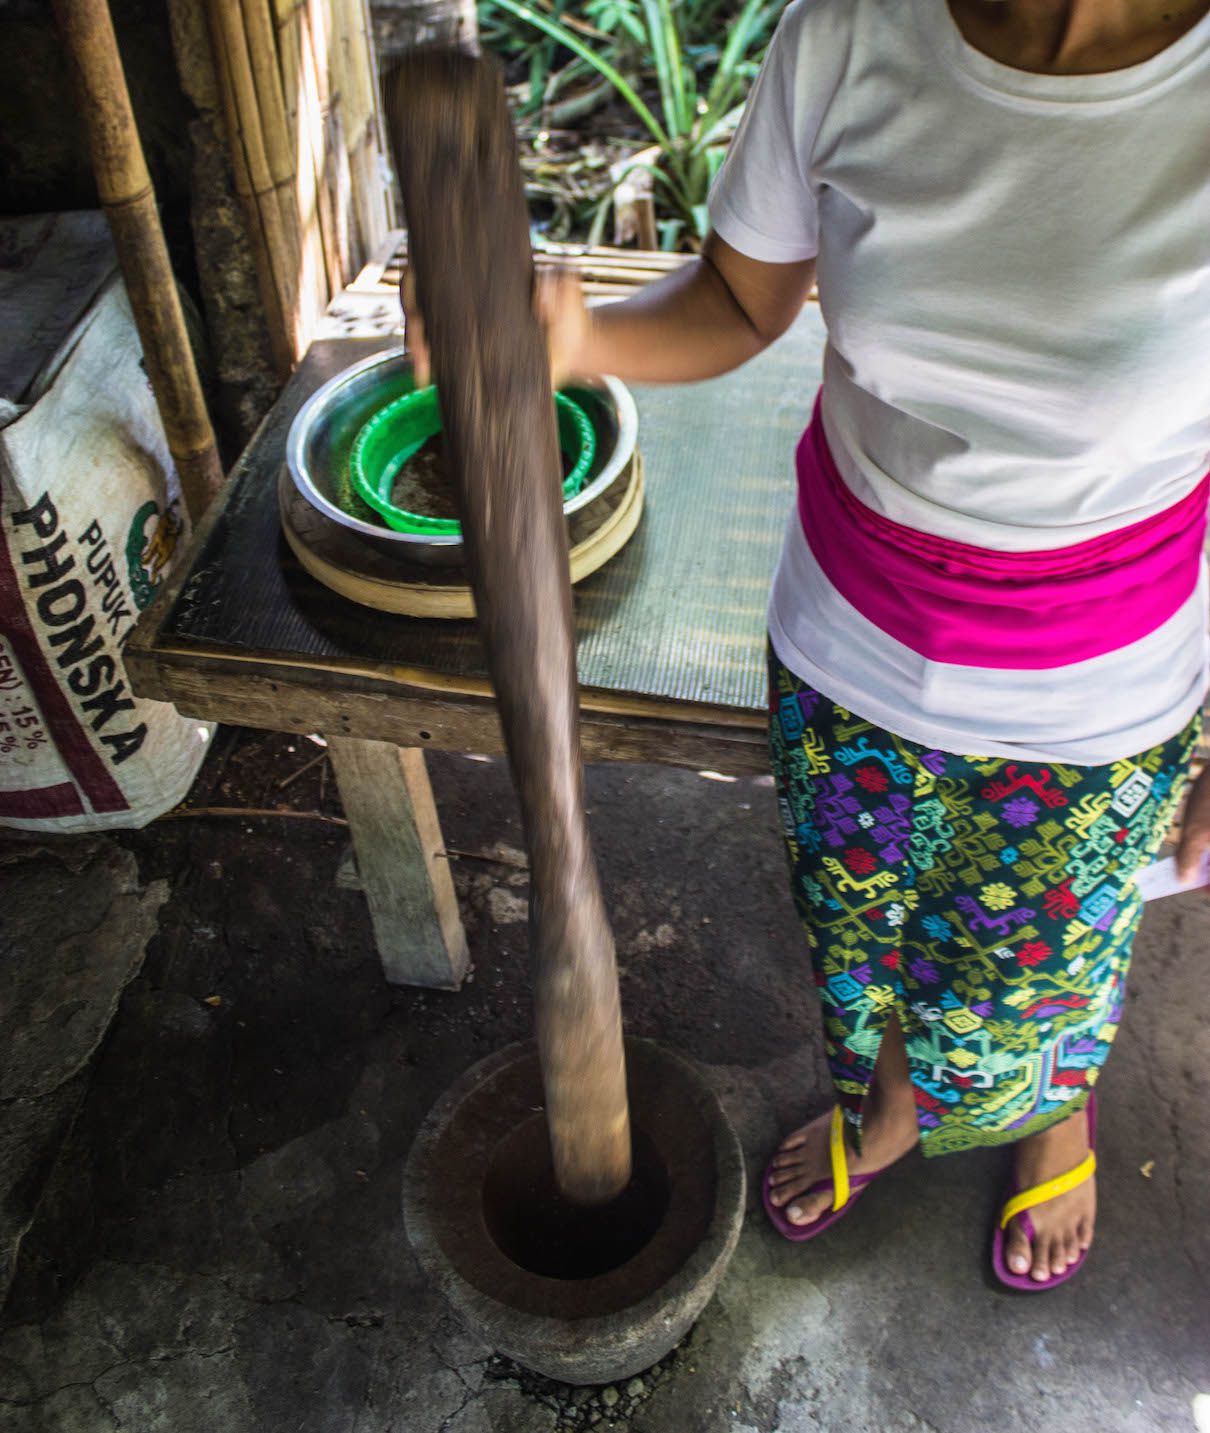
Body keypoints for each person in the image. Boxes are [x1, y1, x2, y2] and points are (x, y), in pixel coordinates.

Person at [408, 0, 1210, 1288]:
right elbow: (738, 298)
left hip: (1095, 686)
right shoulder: (852, 32)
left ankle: (1049, 1112)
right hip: (849, 642)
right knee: (861, 947)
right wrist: (571, 336)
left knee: (1028, 998)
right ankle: (888, 1106)